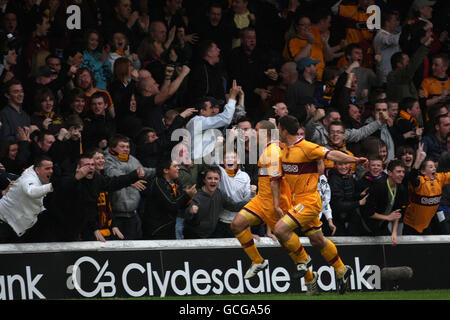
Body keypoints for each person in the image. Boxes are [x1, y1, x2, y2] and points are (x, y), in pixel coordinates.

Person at [274, 115, 368, 295]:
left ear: (284, 130)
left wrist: (354, 160)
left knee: (280, 230)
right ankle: (341, 269)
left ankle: (304, 261)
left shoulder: (307, 147)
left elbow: (331, 154)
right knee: (317, 239)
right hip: (297, 201)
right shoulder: (285, 149)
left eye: (278, 128)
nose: (278, 131)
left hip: (309, 201)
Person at [48, 153, 146, 242]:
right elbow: (61, 189)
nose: (90, 167)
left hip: (83, 224)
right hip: (61, 225)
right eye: (87, 165)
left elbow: (113, 183)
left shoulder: (96, 178)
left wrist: (133, 175)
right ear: (78, 167)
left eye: (92, 165)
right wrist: (77, 177)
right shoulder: (68, 177)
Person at [103, 134, 155, 240]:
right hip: (115, 216)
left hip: (132, 214)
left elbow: (144, 171)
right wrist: (131, 180)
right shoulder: (107, 160)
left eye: (128, 147)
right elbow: (115, 175)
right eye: (122, 146)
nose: (126, 149)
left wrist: (160, 170)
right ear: (113, 147)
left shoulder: (132, 159)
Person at [0, 156, 54, 243]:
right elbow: (31, 192)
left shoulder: (40, 178)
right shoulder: (28, 178)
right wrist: (52, 186)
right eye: (47, 168)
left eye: (52, 168)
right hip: (4, 222)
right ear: (37, 170)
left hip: (16, 226)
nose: (51, 171)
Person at [184, 165, 247, 239]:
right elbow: (186, 216)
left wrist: (251, 203)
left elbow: (233, 206)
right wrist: (190, 212)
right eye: (209, 178)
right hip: (194, 236)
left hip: (211, 235)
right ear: (204, 180)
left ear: (219, 180)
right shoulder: (197, 195)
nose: (213, 181)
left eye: (216, 179)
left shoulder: (219, 193)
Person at [186, 81, 241, 162]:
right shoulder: (196, 121)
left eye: (216, 107)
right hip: (199, 163)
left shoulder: (210, 123)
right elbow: (226, 118)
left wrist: (233, 98)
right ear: (202, 111)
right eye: (212, 107)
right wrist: (232, 96)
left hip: (210, 164)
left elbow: (234, 118)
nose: (215, 110)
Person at [142, 158, 196, 240]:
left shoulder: (176, 182)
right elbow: (172, 205)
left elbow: (180, 205)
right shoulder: (158, 183)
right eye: (175, 166)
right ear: (166, 170)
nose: (178, 168)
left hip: (170, 226)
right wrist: (187, 195)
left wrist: (189, 198)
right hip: (157, 229)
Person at [403, 142, 450, 235]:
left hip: (426, 224)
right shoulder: (420, 180)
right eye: (430, 167)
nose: (434, 169)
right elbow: (412, 177)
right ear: (423, 171)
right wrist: (419, 160)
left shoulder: (439, 178)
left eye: (434, 167)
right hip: (411, 225)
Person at [361, 159, 408, 245]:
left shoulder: (401, 188)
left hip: (381, 227)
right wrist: (387, 217)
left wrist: (394, 232)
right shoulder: (378, 186)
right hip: (364, 227)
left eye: (403, 172)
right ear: (389, 173)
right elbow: (368, 212)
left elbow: (397, 213)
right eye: (398, 172)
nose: (402, 175)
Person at [386, 25, 432, 102]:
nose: (409, 64)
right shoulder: (394, 76)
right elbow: (413, 65)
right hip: (402, 112)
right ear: (399, 64)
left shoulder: (407, 77)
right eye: (407, 62)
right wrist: (425, 46)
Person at [328, 160, 369, 236]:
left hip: (347, 216)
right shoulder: (334, 180)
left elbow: (349, 196)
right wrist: (359, 203)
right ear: (335, 165)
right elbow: (337, 205)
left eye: (346, 163)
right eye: (340, 164)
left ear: (350, 164)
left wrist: (360, 195)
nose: (344, 167)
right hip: (336, 219)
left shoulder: (349, 176)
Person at [373, 11, 401, 85]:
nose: (396, 23)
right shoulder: (381, 35)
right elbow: (391, 40)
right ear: (387, 22)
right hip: (385, 75)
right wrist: (406, 30)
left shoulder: (390, 34)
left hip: (392, 73)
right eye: (394, 21)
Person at [419, 53, 450, 120]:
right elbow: (423, 103)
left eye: (436, 65)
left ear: (444, 68)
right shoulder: (426, 82)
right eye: (432, 64)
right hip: (432, 120)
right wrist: (441, 97)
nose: (433, 67)